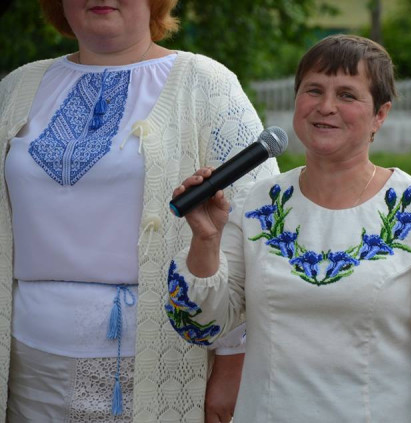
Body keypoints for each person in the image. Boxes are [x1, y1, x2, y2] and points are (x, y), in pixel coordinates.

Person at [167, 34, 411, 422]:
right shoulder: (259, 203)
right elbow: (200, 326)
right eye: (314, 90)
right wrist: (206, 239)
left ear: (380, 114)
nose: (326, 106)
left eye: (347, 95)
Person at [0, 0, 279, 421]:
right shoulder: (20, 85)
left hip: (155, 368)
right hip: (27, 371)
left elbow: (257, 231)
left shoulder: (205, 83)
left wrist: (233, 365)